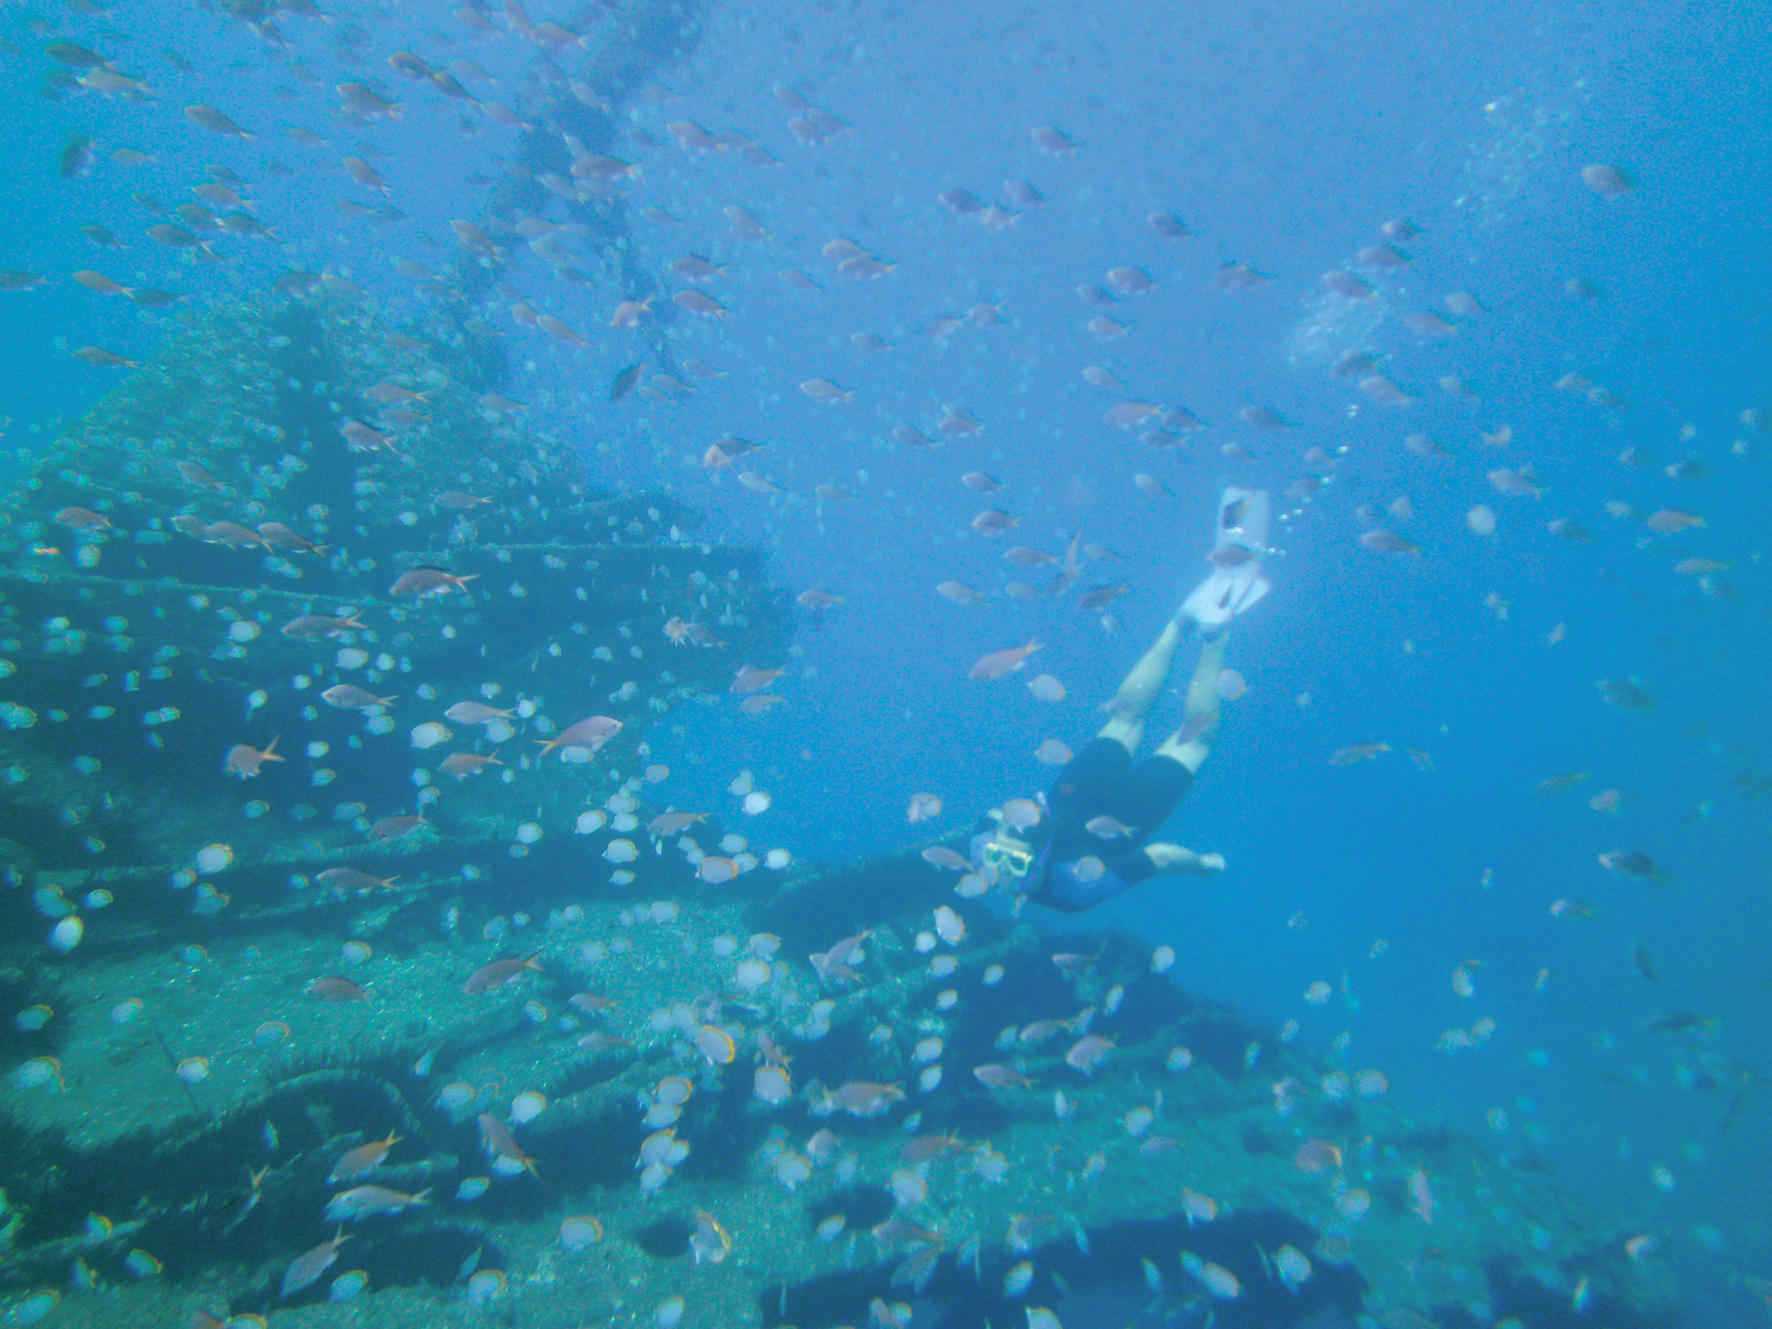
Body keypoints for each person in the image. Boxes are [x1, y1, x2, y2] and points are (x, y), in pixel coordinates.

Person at [971, 488, 1272, 911]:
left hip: (1126, 818)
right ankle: (1180, 625)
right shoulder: (982, 837)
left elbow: (1160, 857)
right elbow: (994, 814)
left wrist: (1201, 864)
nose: (1001, 873)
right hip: (1072, 795)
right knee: (1126, 718)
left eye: (1007, 862)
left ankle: (1215, 634)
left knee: (1196, 739)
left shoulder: (1070, 891)